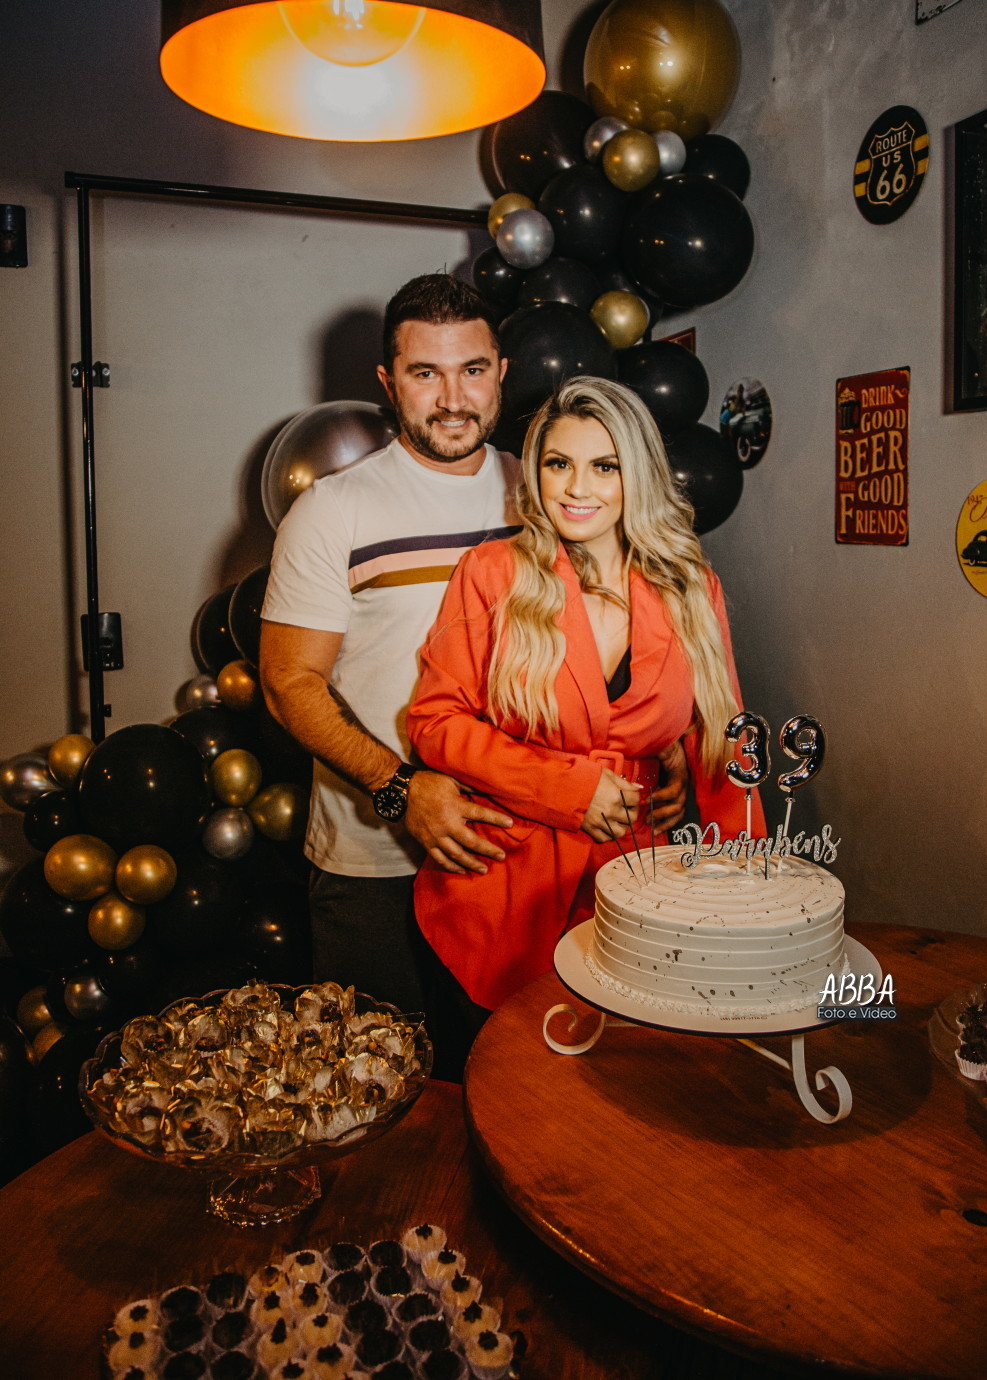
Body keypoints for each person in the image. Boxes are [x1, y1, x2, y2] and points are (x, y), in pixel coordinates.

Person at [260, 278, 687, 1017]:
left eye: (473, 370)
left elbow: (623, 629)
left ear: (502, 373)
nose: (453, 398)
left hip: (529, 851)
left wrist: (665, 742)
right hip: (378, 859)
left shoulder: (553, 488)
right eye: (426, 373)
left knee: (519, 1067)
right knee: (387, 1070)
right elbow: (289, 682)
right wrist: (400, 789)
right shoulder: (334, 510)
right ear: (389, 382)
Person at [406, 375, 764, 1045]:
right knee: (505, 1086)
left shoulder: (691, 587)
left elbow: (725, 747)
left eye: (605, 466)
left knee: (620, 1088)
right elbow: (435, 722)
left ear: (638, 475)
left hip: (637, 888)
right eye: (558, 464)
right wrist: (568, 789)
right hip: (501, 887)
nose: (577, 488)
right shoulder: (492, 573)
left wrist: (747, 892)